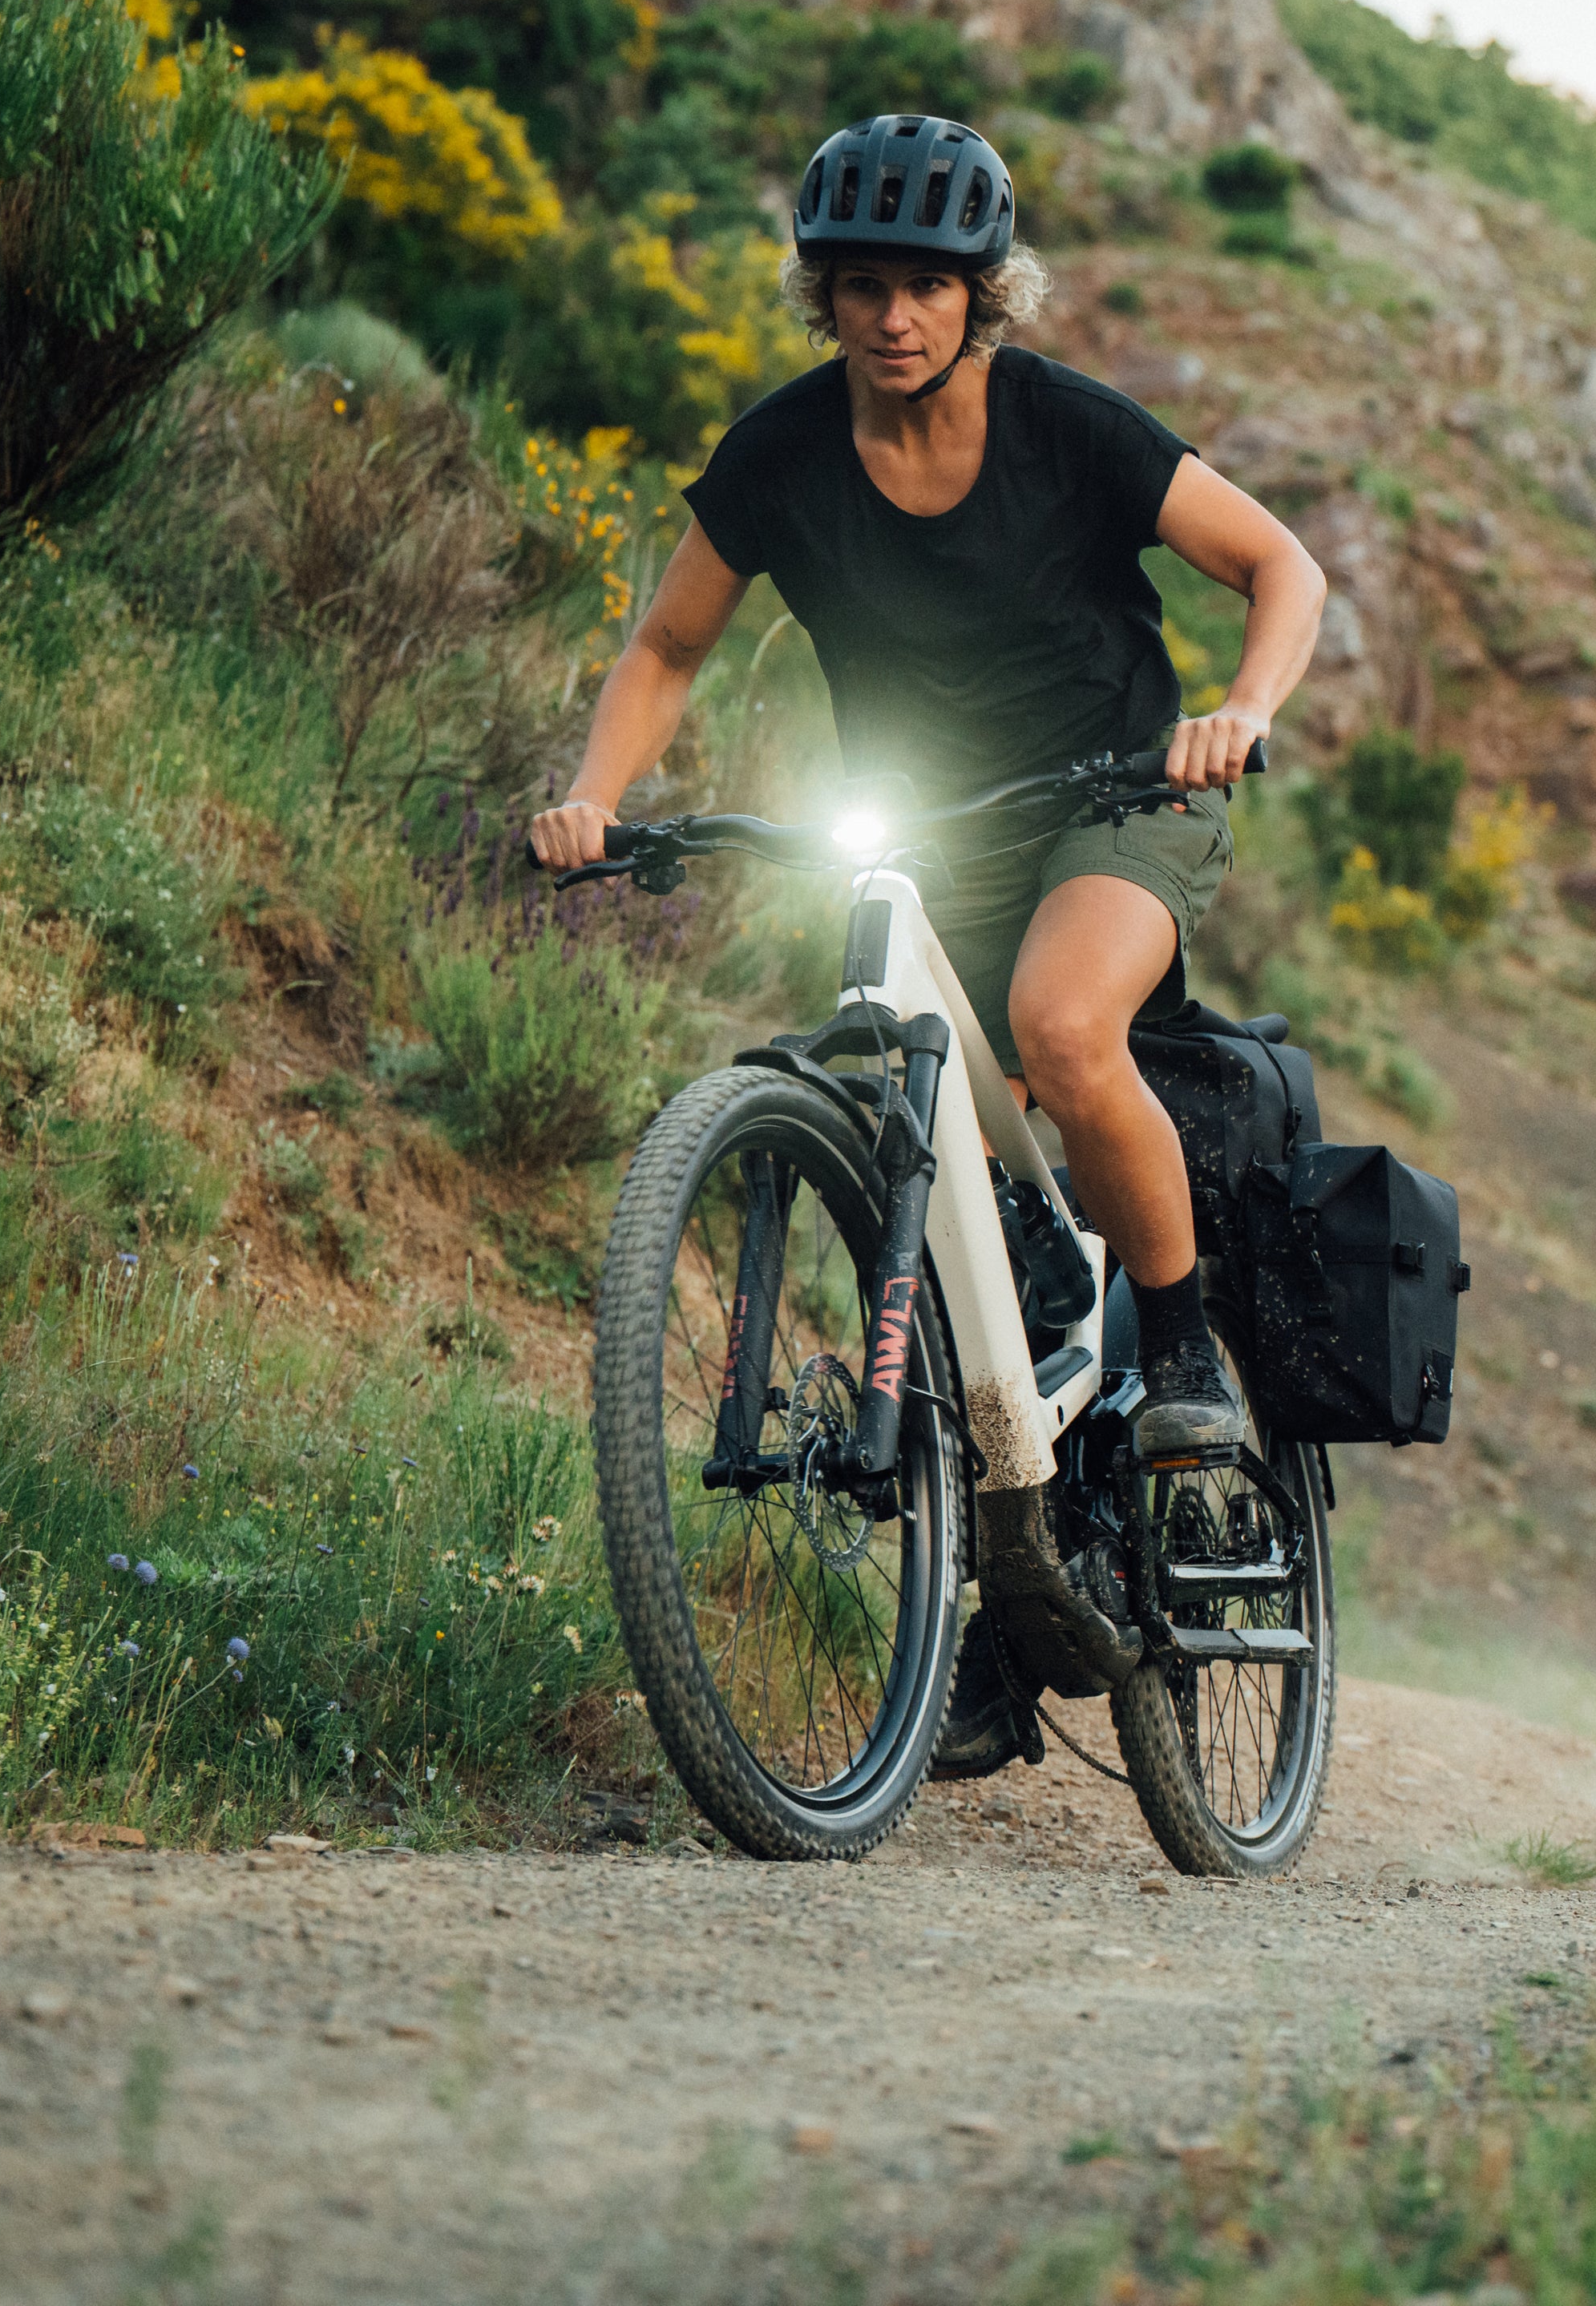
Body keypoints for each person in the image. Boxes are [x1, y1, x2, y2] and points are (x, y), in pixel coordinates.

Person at [526, 114, 1325, 1648]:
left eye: (930, 287)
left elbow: (1283, 565)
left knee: (1064, 1031)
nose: (895, 317)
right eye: (862, 284)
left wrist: (1242, 713)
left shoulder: (1067, 431)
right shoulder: (778, 454)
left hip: (1117, 797)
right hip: (926, 827)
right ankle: (1000, 1609)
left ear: (986, 297)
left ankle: (1184, 1362)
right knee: (931, 1156)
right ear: (818, 294)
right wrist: (591, 797)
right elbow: (671, 644)